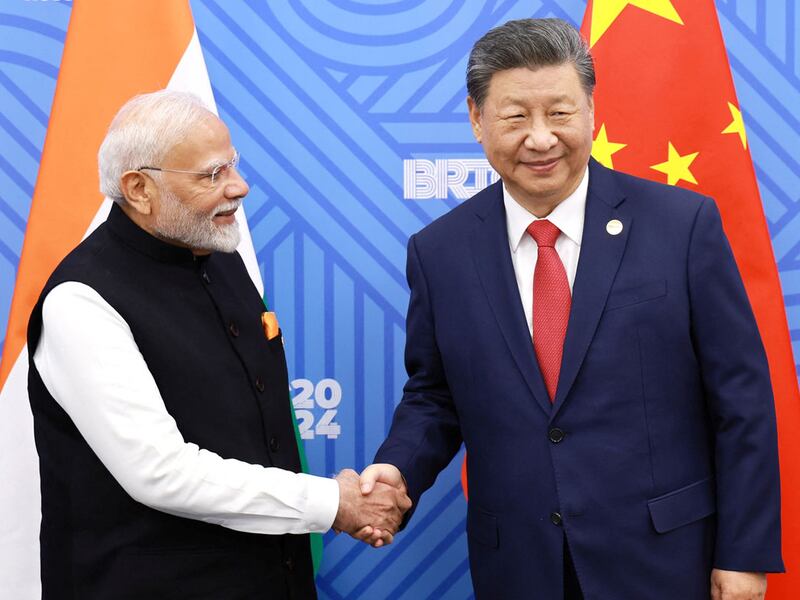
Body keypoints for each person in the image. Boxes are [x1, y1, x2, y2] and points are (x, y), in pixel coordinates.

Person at [359, 18, 783, 600]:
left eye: (560, 113)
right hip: (520, 566)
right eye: (515, 117)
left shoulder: (681, 226)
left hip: (665, 559)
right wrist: (397, 469)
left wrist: (744, 554)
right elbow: (435, 394)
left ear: (590, 111)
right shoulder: (440, 253)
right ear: (477, 119)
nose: (540, 138)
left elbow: (742, 400)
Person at [28, 90, 410, 600]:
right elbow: (161, 474)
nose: (240, 186)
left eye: (233, 165)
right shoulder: (81, 300)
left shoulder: (217, 251)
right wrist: (333, 502)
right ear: (139, 188)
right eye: (213, 175)